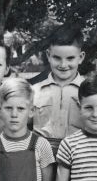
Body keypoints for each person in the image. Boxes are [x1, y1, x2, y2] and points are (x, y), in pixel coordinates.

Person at [30, 26, 86, 154]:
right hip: (41, 155)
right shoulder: (35, 91)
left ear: (81, 57)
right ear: (48, 55)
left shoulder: (90, 91)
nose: (63, 65)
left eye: (70, 58)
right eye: (57, 58)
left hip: (78, 154)